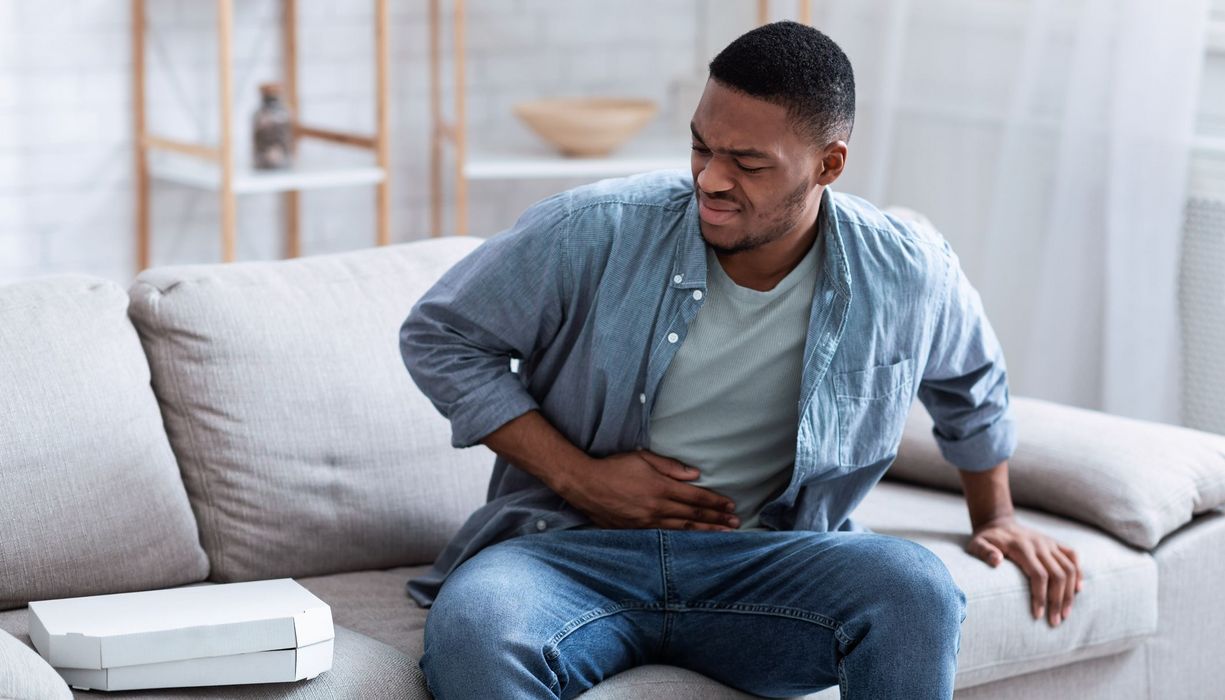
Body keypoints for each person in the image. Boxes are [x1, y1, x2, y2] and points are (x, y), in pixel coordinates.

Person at [400, 20, 1083, 700]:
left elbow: (970, 383)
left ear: (828, 164)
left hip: (770, 563)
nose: (711, 178)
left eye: (748, 163)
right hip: (568, 554)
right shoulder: (592, 230)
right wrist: (581, 478)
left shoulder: (905, 271)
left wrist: (995, 517)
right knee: (477, 625)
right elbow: (440, 336)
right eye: (701, 146)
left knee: (912, 587)